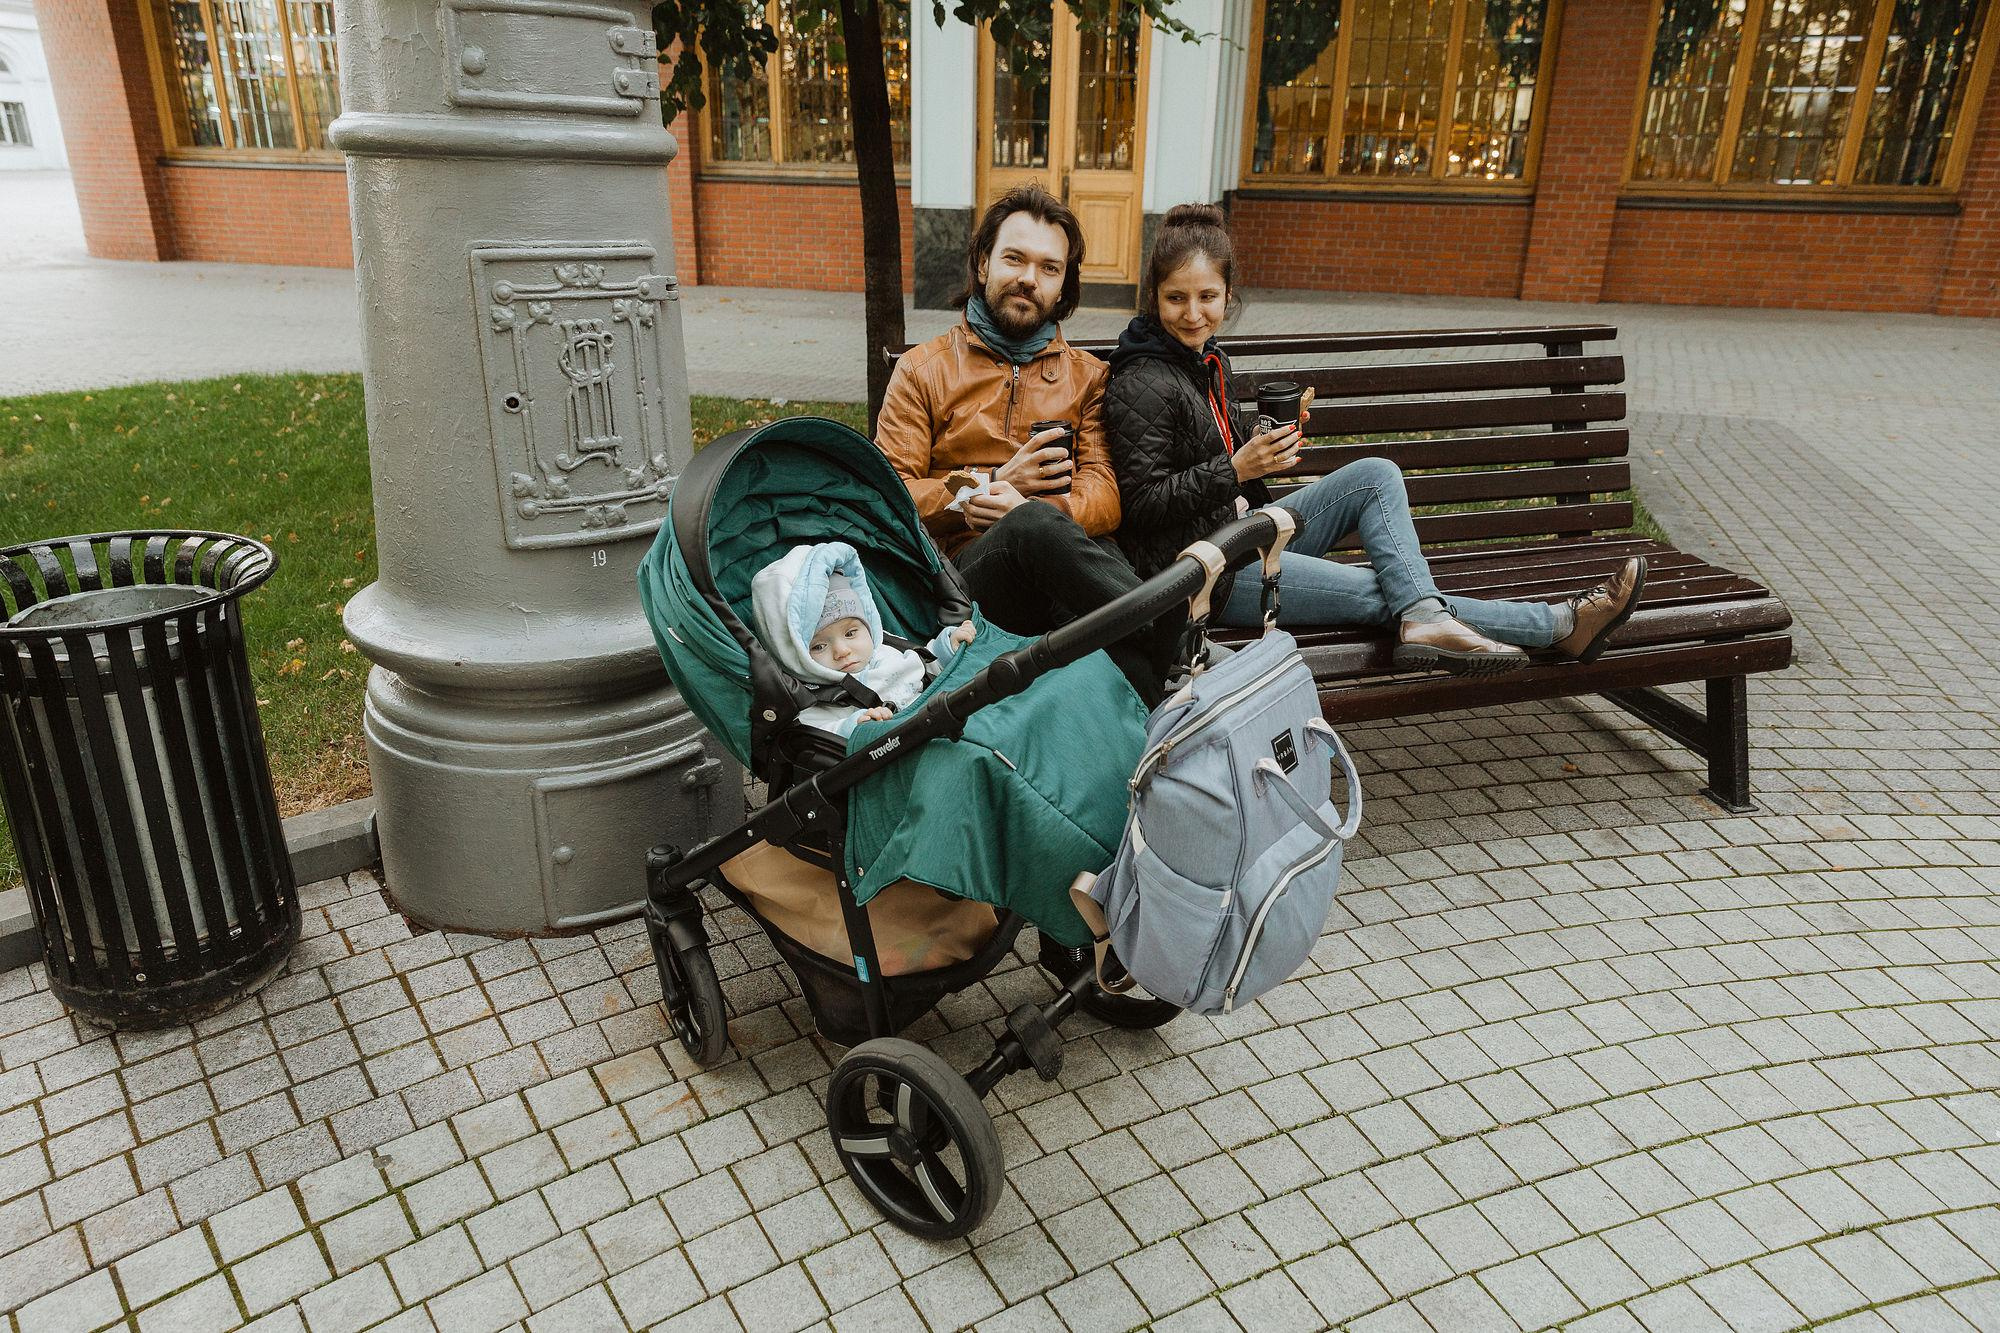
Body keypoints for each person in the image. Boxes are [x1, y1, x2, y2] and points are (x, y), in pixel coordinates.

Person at [1104, 204, 1646, 674]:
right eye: (1177, 298)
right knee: (1384, 591)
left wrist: (1265, 448)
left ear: (1228, 295)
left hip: (1241, 531)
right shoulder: (1142, 378)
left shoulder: (1207, 359)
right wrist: (1238, 469)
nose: (1193, 313)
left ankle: (1427, 616)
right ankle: (1559, 624)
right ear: (1154, 296)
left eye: (1208, 296)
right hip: (1204, 574)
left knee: (1375, 475)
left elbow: (1208, 453)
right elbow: (1143, 505)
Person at [874, 184, 1175, 705]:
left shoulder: (1089, 378)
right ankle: (1175, 631)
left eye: (1049, 268)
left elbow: (1105, 494)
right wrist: (988, 490)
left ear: (1063, 287)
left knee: (1080, 601)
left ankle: (1153, 751)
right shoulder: (921, 371)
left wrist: (1040, 507)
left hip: (1066, 571)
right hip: (966, 583)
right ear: (983, 263)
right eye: (1014, 258)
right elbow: (888, 500)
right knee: (1033, 526)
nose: (1029, 278)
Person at [751, 543, 975, 740]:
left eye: (850, 633)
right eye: (819, 646)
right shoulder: (815, 697)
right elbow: (813, 733)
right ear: (795, 655)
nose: (842, 651)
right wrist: (854, 725)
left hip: (948, 718)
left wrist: (945, 649)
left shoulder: (883, 650)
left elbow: (921, 668)